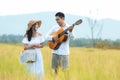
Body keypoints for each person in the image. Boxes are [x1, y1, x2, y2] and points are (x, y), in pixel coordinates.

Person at [46, 12, 74, 80]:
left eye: (58, 19)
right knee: (55, 71)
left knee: (65, 72)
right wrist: (52, 38)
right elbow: (46, 37)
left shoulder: (69, 27)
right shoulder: (54, 27)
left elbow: (73, 38)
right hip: (55, 52)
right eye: (56, 20)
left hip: (64, 53)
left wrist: (71, 31)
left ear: (63, 18)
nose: (57, 21)